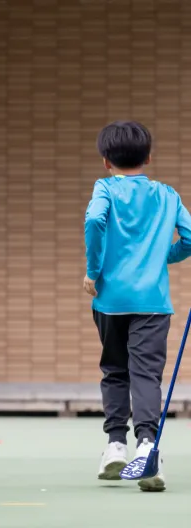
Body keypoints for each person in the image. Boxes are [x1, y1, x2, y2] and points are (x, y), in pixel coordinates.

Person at [84, 121, 191, 490]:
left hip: (110, 299)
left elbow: (94, 219)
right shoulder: (166, 194)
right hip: (153, 302)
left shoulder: (105, 189)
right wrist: (163, 256)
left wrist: (93, 270)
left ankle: (116, 444)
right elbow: (190, 237)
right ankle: (147, 447)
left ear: (105, 161)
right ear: (148, 158)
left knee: (115, 370)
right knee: (146, 375)